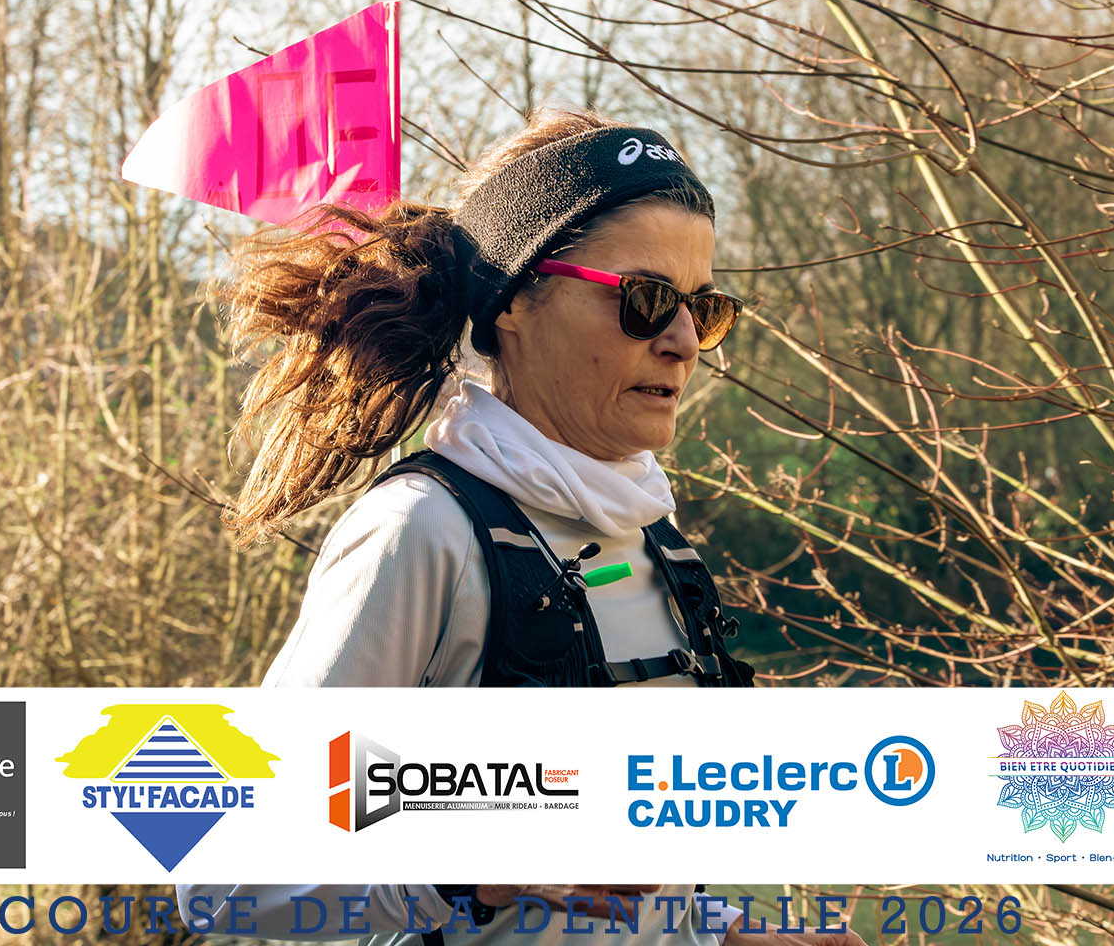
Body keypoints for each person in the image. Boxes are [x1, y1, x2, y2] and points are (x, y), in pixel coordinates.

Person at [179, 110, 865, 946]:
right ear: (515, 303)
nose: (685, 342)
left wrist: (719, 933)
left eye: (704, 308)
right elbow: (223, 879)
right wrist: (478, 869)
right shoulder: (423, 531)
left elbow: (607, 891)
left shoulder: (657, 542)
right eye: (646, 300)